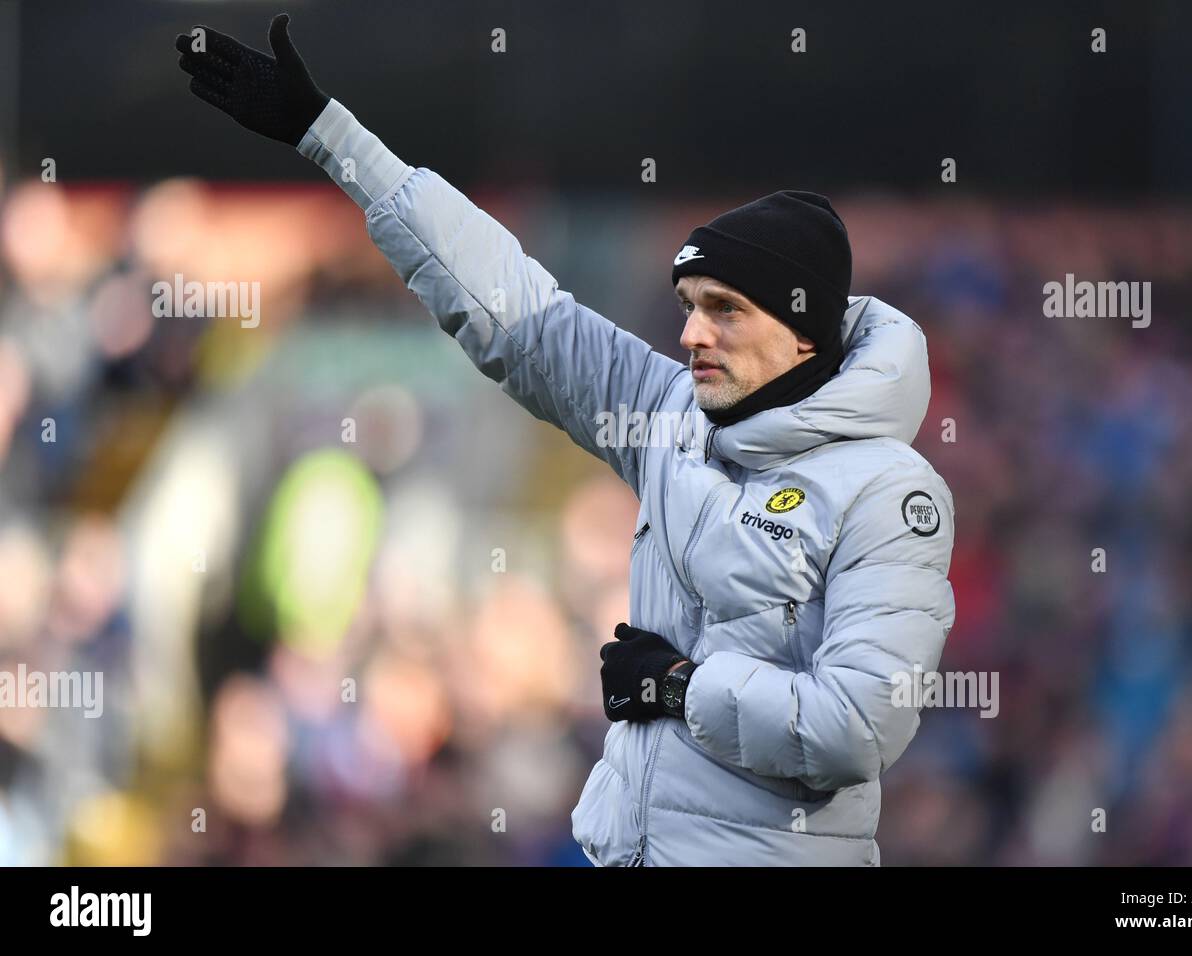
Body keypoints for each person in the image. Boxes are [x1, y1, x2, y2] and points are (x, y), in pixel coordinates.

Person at [175, 14, 957, 866]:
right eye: (691, 304)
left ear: (803, 332)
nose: (693, 332)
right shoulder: (669, 419)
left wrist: (679, 687)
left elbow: (855, 727)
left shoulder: (890, 493)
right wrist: (328, 136)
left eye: (725, 308)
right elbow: (515, 308)